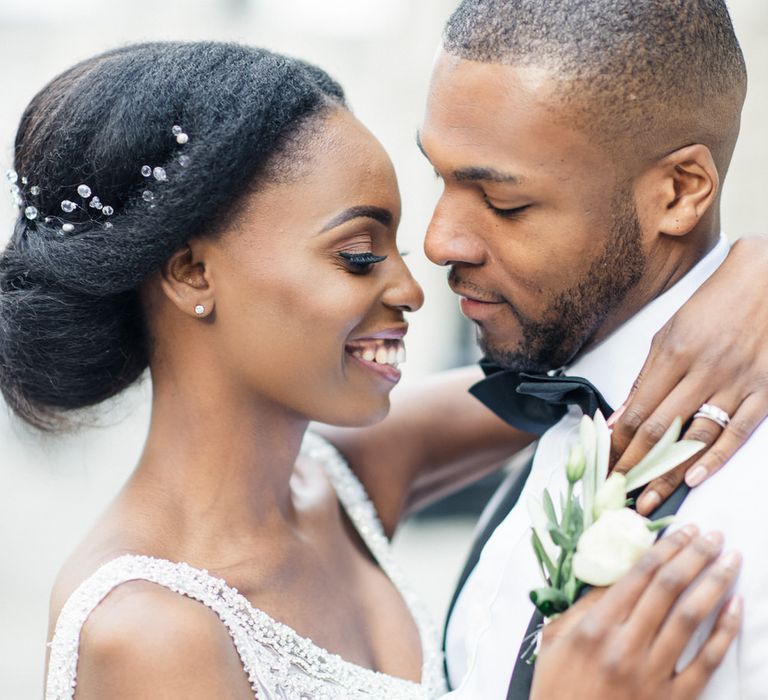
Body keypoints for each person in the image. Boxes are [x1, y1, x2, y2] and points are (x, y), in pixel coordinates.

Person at [0, 39, 756, 700]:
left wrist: (747, 280)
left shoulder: (342, 478)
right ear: (194, 273)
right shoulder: (147, 633)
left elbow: (602, 375)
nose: (410, 287)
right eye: (358, 255)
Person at [396, 0, 762, 697]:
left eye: (506, 205)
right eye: (439, 176)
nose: (440, 241)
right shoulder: (564, 392)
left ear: (680, 193)